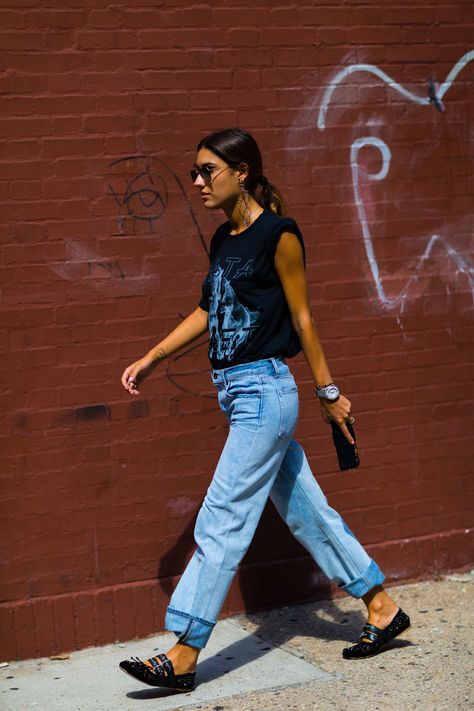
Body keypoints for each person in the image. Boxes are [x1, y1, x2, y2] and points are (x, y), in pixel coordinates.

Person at [119, 128, 410, 692]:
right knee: (307, 511)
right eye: (196, 172)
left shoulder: (280, 235)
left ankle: (183, 652)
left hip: (265, 394)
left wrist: (329, 396)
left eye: (208, 171)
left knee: (222, 517)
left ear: (242, 171)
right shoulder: (224, 241)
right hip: (238, 394)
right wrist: (152, 356)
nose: (198, 181)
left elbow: (303, 320)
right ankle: (380, 605)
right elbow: (210, 310)